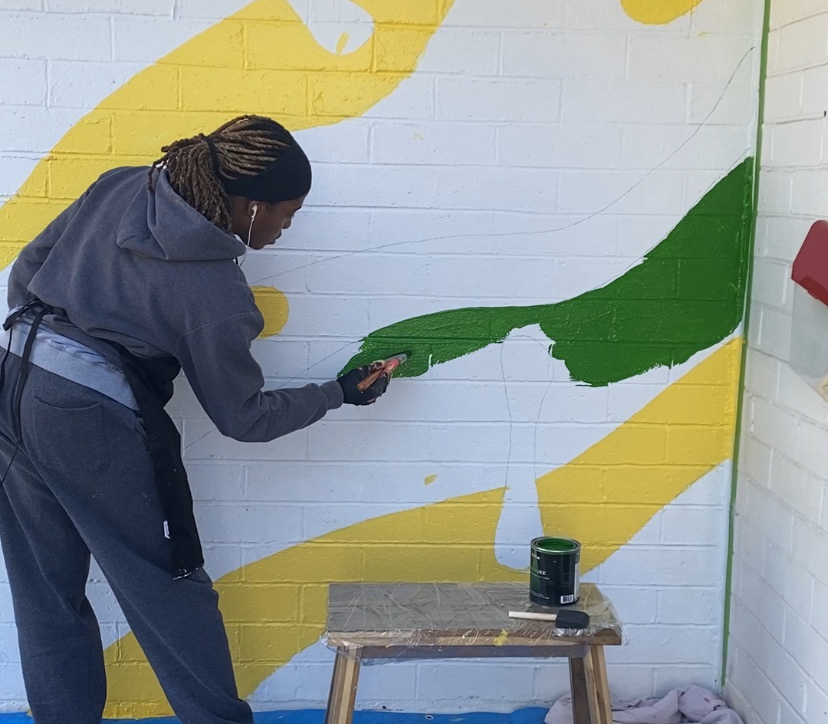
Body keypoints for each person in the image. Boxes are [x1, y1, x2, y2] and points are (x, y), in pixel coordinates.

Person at [0, 114, 390, 724]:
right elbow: (244, 418)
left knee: (45, 590)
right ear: (251, 207)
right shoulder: (216, 293)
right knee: (170, 587)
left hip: (12, 377)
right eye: (287, 214)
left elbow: (28, 270)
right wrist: (338, 393)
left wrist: (55, 348)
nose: (287, 228)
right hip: (81, 416)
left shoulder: (120, 185)